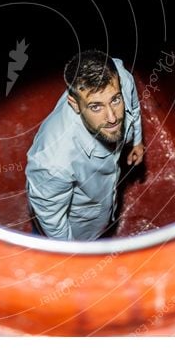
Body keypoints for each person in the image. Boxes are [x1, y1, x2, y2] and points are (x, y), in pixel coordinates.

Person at [26, 50, 144, 241]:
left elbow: (135, 108)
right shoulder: (53, 163)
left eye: (115, 100)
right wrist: (72, 257)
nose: (112, 118)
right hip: (78, 224)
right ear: (74, 103)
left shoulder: (120, 77)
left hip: (101, 209)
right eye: (96, 107)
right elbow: (52, 222)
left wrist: (137, 141)